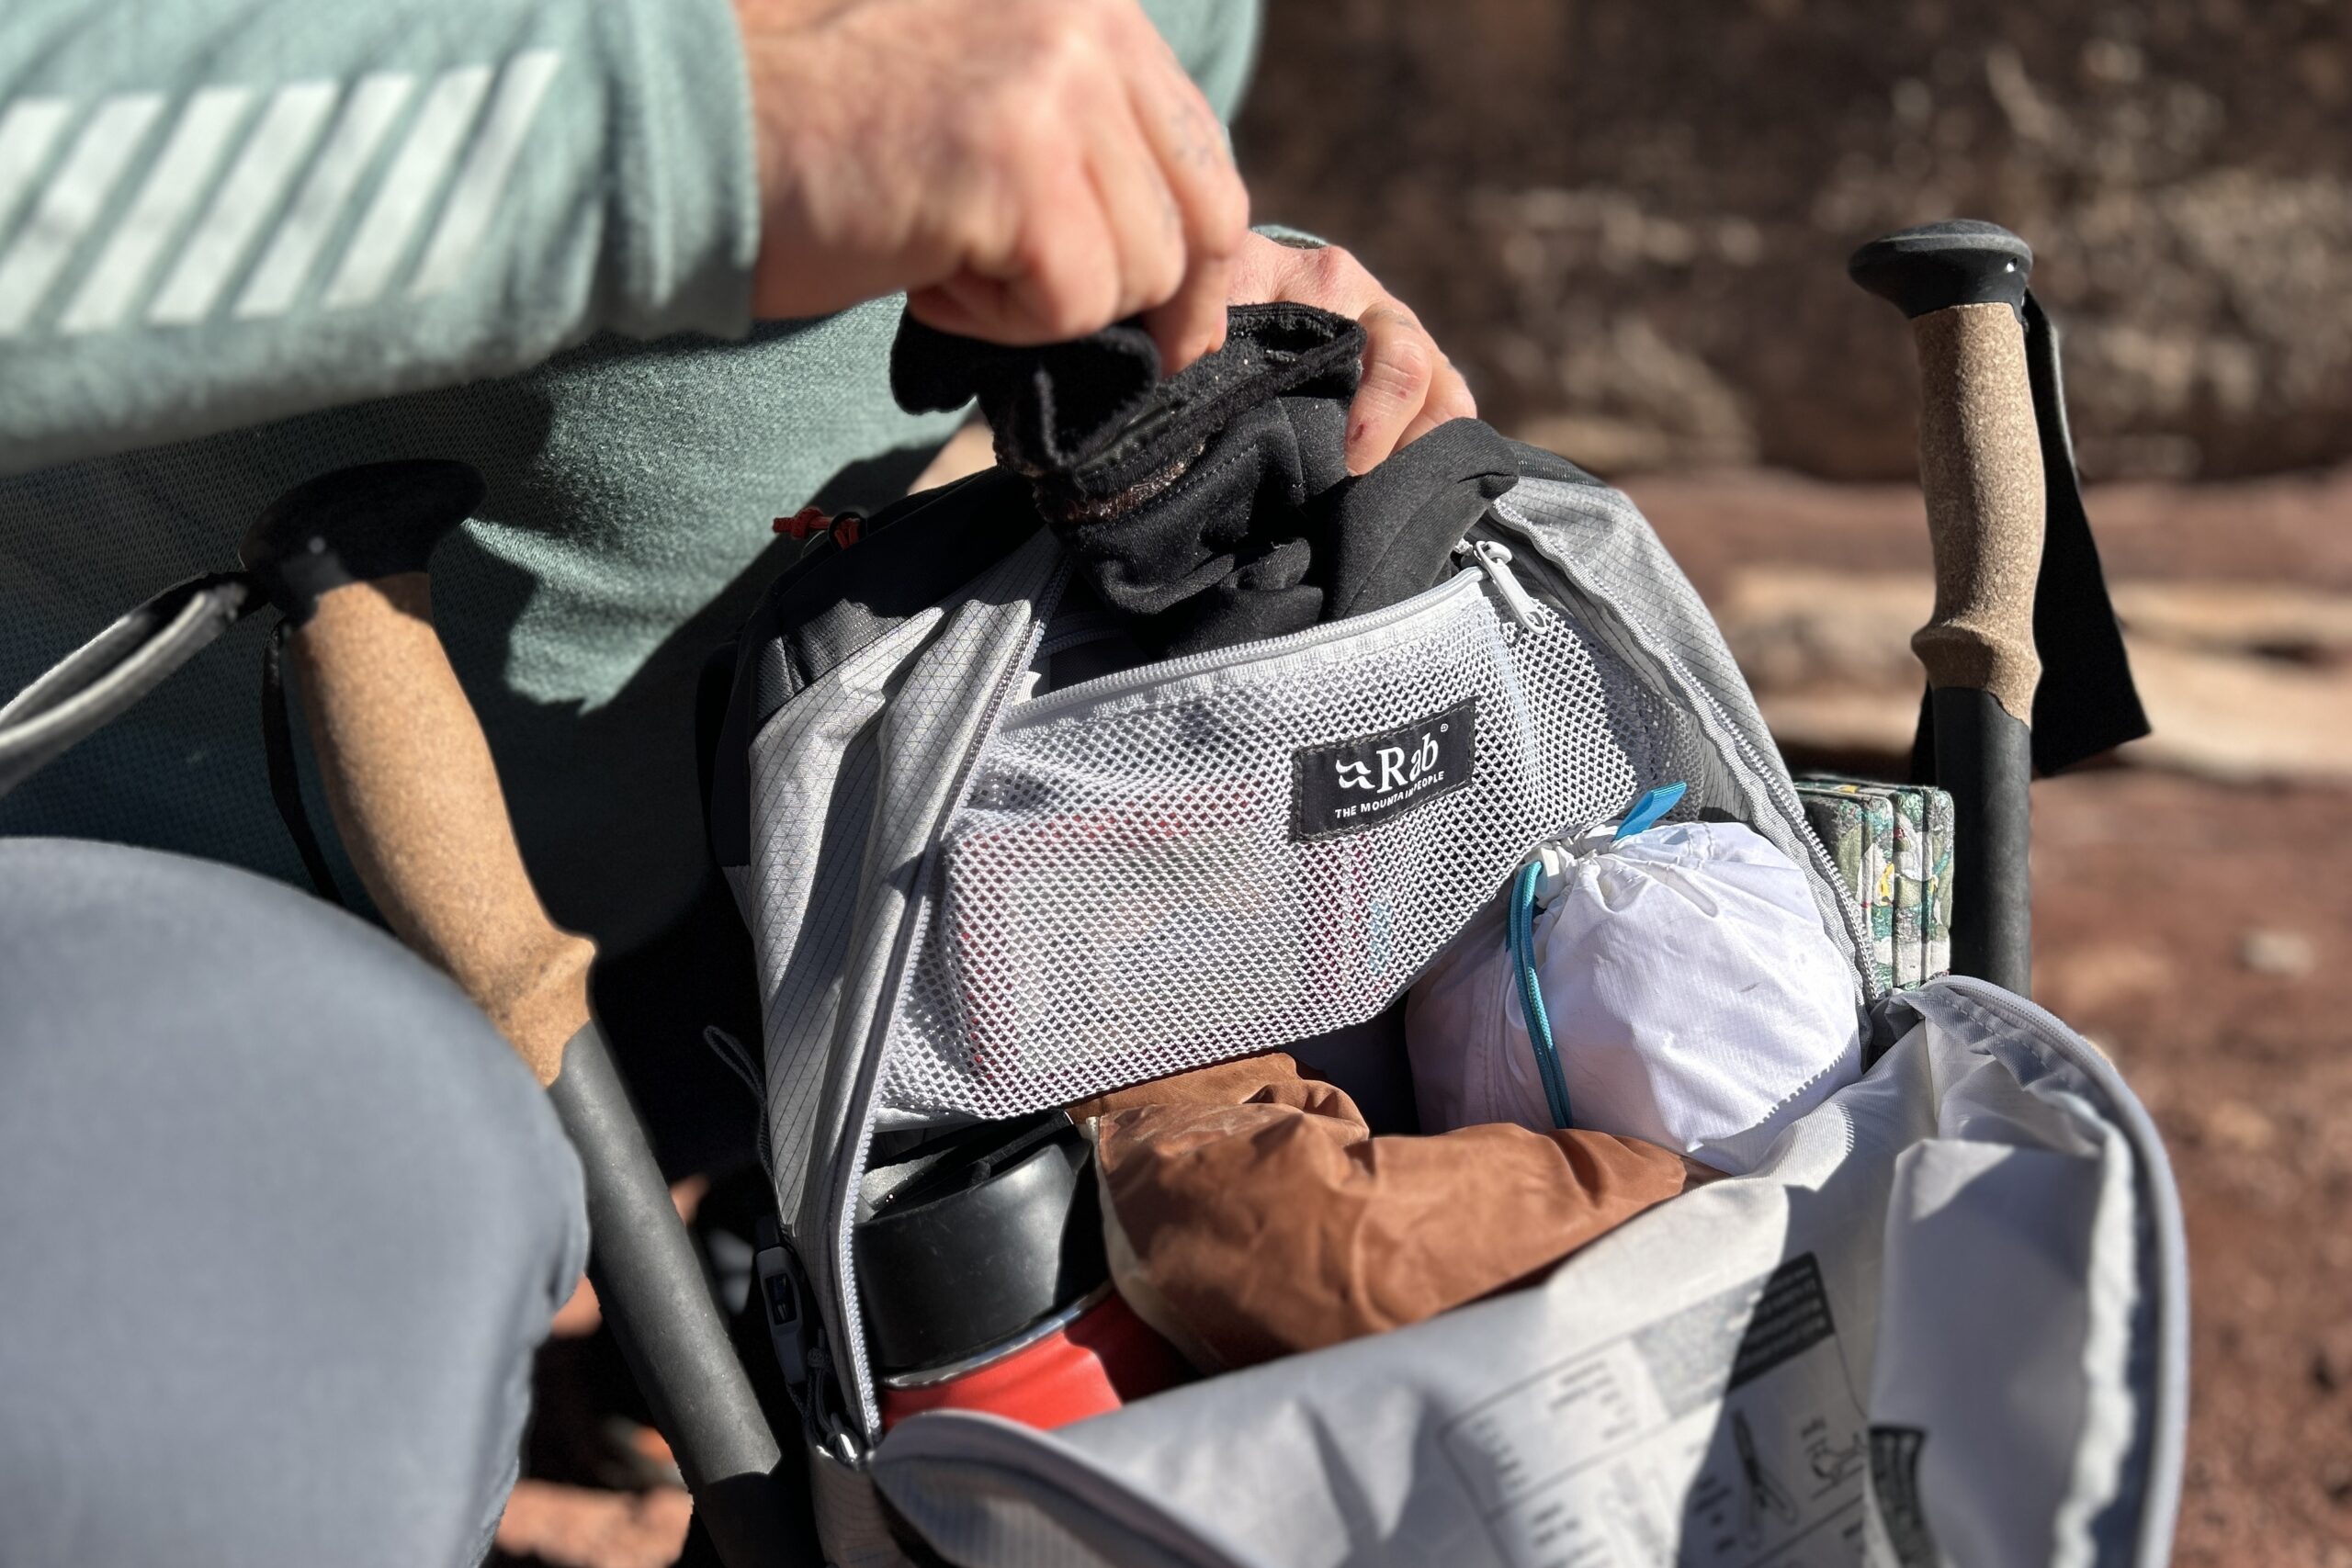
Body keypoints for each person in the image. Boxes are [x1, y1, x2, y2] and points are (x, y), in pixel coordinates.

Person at [0, 0, 1476, 1560]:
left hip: (673, 892)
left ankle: (710, 1280)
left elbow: (986, 294)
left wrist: (1185, 300)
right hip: (119, 894)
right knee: (248, 1388)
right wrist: (683, 131)